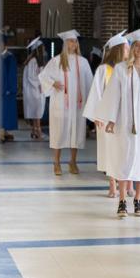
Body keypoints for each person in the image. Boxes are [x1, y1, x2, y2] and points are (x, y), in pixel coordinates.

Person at [97, 29, 140, 219]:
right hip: (125, 123)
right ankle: (122, 200)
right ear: (133, 48)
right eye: (138, 45)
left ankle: (138, 200)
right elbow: (113, 95)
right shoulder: (121, 69)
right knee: (123, 161)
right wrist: (111, 119)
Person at [39, 29, 93, 176]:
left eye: (75, 41)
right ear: (65, 43)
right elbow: (43, 76)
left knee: (76, 133)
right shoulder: (57, 60)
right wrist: (52, 83)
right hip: (60, 103)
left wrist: (90, 103)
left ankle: (73, 162)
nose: (73, 43)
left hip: (77, 104)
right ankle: (56, 163)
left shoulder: (83, 62)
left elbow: (90, 83)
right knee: (59, 132)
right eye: (70, 41)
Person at [85, 32, 129, 198]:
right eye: (126, 48)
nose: (129, 51)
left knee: (124, 150)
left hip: (124, 116)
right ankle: (112, 184)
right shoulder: (104, 69)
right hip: (106, 116)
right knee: (109, 150)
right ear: (118, 50)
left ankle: (127, 183)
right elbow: (96, 93)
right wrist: (97, 115)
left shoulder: (128, 68)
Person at [22, 37, 46, 141]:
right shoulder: (33, 61)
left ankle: (34, 130)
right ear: (39, 49)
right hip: (35, 90)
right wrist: (40, 84)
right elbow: (31, 77)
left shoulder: (32, 60)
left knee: (35, 112)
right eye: (43, 48)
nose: (44, 50)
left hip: (33, 90)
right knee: (37, 112)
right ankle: (38, 131)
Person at [0, 33, 18, 143]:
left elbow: (12, 75)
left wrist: (9, 89)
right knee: (0, 112)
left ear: (4, 45)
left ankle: (2, 134)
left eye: (0, 44)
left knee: (5, 113)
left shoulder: (9, 57)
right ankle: (3, 132)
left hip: (6, 90)